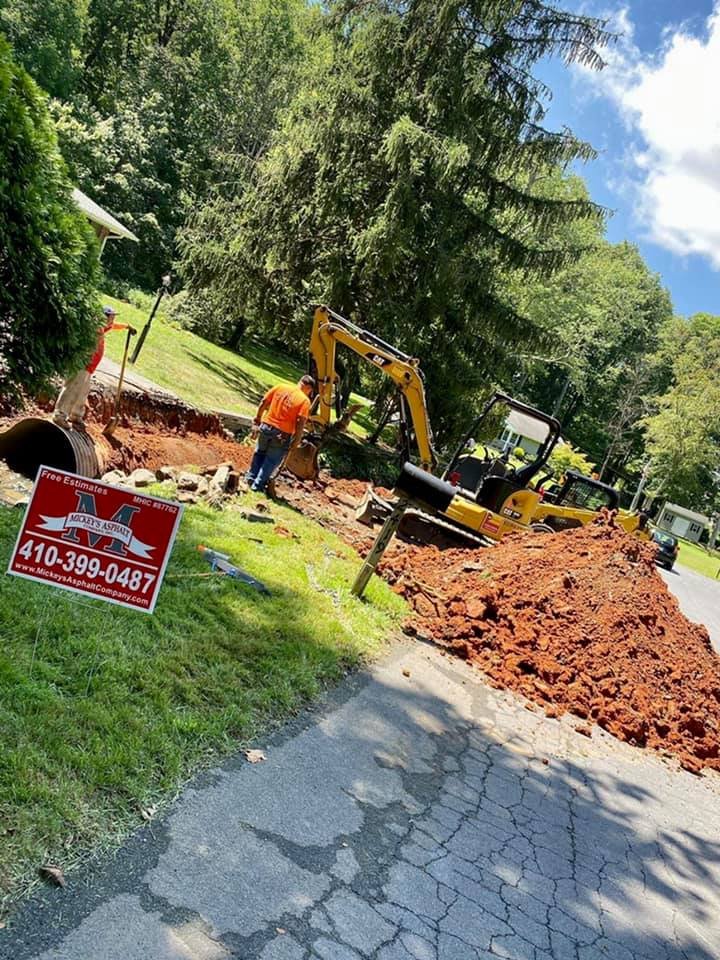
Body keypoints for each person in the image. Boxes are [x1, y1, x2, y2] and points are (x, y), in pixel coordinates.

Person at [53, 306, 136, 428]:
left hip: (89, 368)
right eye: (111, 317)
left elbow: (114, 326)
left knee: (83, 392)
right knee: (72, 389)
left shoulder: (103, 326)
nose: (112, 320)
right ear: (103, 317)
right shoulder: (95, 328)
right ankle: (59, 416)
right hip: (82, 365)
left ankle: (75, 416)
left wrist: (127, 326)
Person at [247, 376, 315, 493]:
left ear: (299, 382)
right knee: (271, 460)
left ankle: (250, 478)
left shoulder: (280, 387)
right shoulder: (304, 401)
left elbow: (264, 402)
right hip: (282, 434)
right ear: (308, 388)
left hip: (266, 426)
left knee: (259, 453)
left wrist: (258, 418)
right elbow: (300, 422)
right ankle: (257, 486)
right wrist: (297, 440)